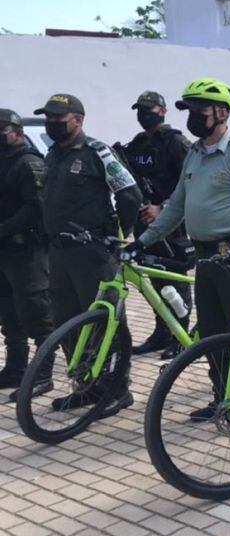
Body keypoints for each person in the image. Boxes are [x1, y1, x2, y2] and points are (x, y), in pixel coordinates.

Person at [133, 78, 230, 437]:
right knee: (213, 334)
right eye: (189, 112)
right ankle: (224, 396)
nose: (194, 118)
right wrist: (143, 240)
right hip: (203, 258)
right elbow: (176, 207)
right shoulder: (195, 154)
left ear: (222, 113)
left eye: (201, 112)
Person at [38, 93, 142, 416]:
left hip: (93, 253)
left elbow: (130, 194)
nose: (52, 124)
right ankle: (87, 386)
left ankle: (117, 389)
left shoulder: (98, 152)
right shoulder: (53, 154)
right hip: (60, 253)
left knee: (104, 321)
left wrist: (118, 237)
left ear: (78, 120)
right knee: (66, 322)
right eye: (49, 119)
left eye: (59, 118)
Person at [119, 91, 192, 359]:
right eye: (139, 109)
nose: (143, 114)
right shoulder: (137, 144)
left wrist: (162, 208)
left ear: (162, 110)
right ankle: (162, 332)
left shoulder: (177, 143)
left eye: (148, 109)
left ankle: (181, 336)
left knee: (175, 281)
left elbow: (190, 182)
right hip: (145, 224)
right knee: (155, 282)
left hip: (171, 224)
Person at [0, 109, 53, 398]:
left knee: (37, 311)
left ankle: (43, 373)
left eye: (2, 130)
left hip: (26, 250)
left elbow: (35, 209)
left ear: (18, 133)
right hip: (5, 251)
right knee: (8, 312)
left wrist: (4, 228)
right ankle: (16, 368)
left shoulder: (28, 163)